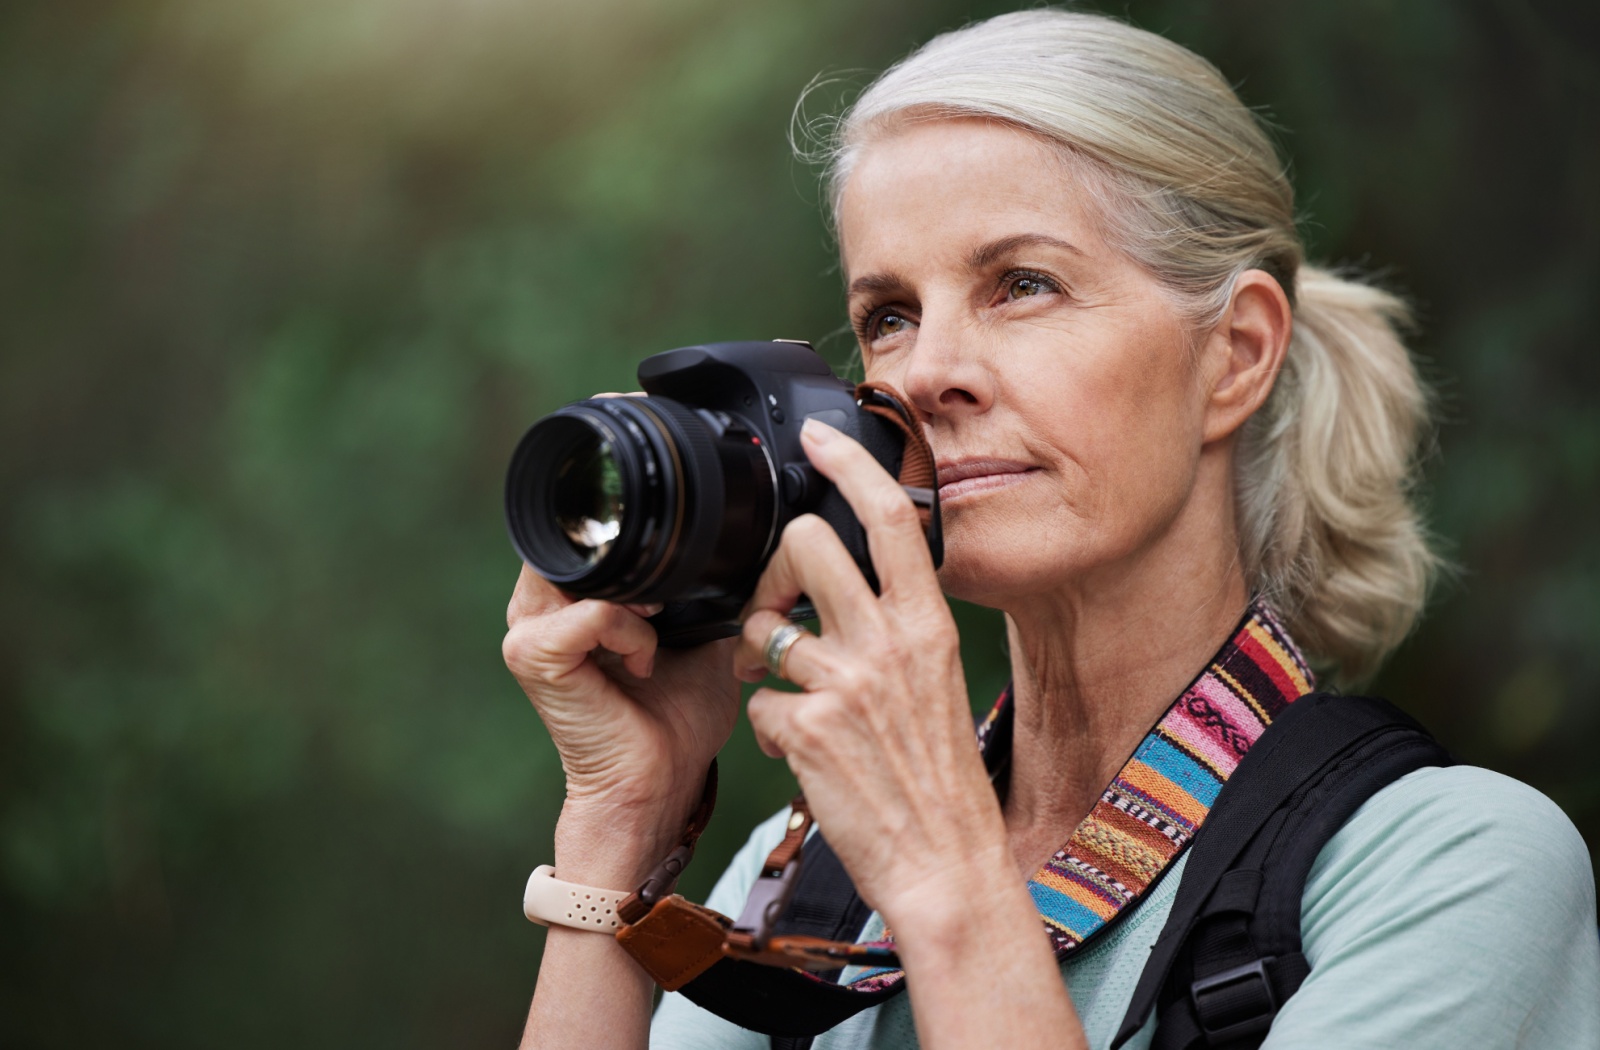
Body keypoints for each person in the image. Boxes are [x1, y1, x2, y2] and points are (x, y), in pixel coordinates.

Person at [502, 10, 1600, 1049]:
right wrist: (618, 824)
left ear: (1236, 357)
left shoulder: (1447, 867)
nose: (927, 372)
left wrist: (945, 882)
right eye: (887, 316)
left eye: (1021, 285)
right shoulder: (797, 887)